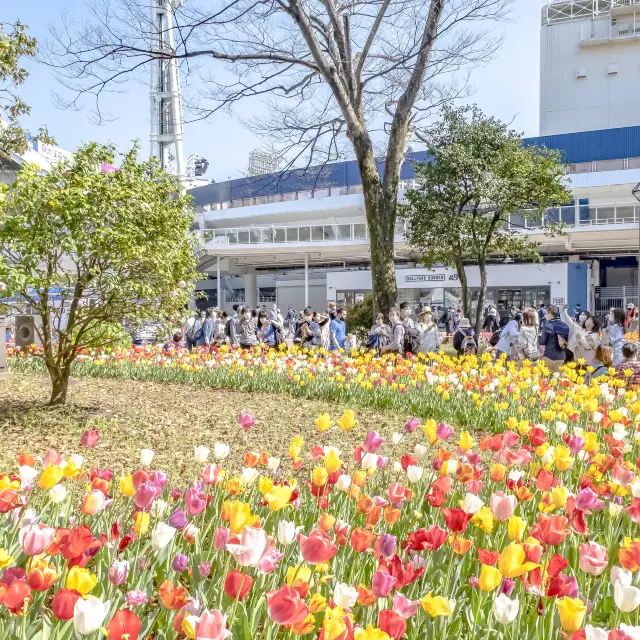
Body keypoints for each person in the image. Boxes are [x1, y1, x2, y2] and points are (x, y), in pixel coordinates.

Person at [539, 305, 569, 373]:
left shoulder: (548, 325)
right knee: (558, 380)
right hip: (561, 356)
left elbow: (543, 341)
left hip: (549, 356)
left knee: (547, 380)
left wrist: (539, 338)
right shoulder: (565, 325)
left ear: (549, 314)